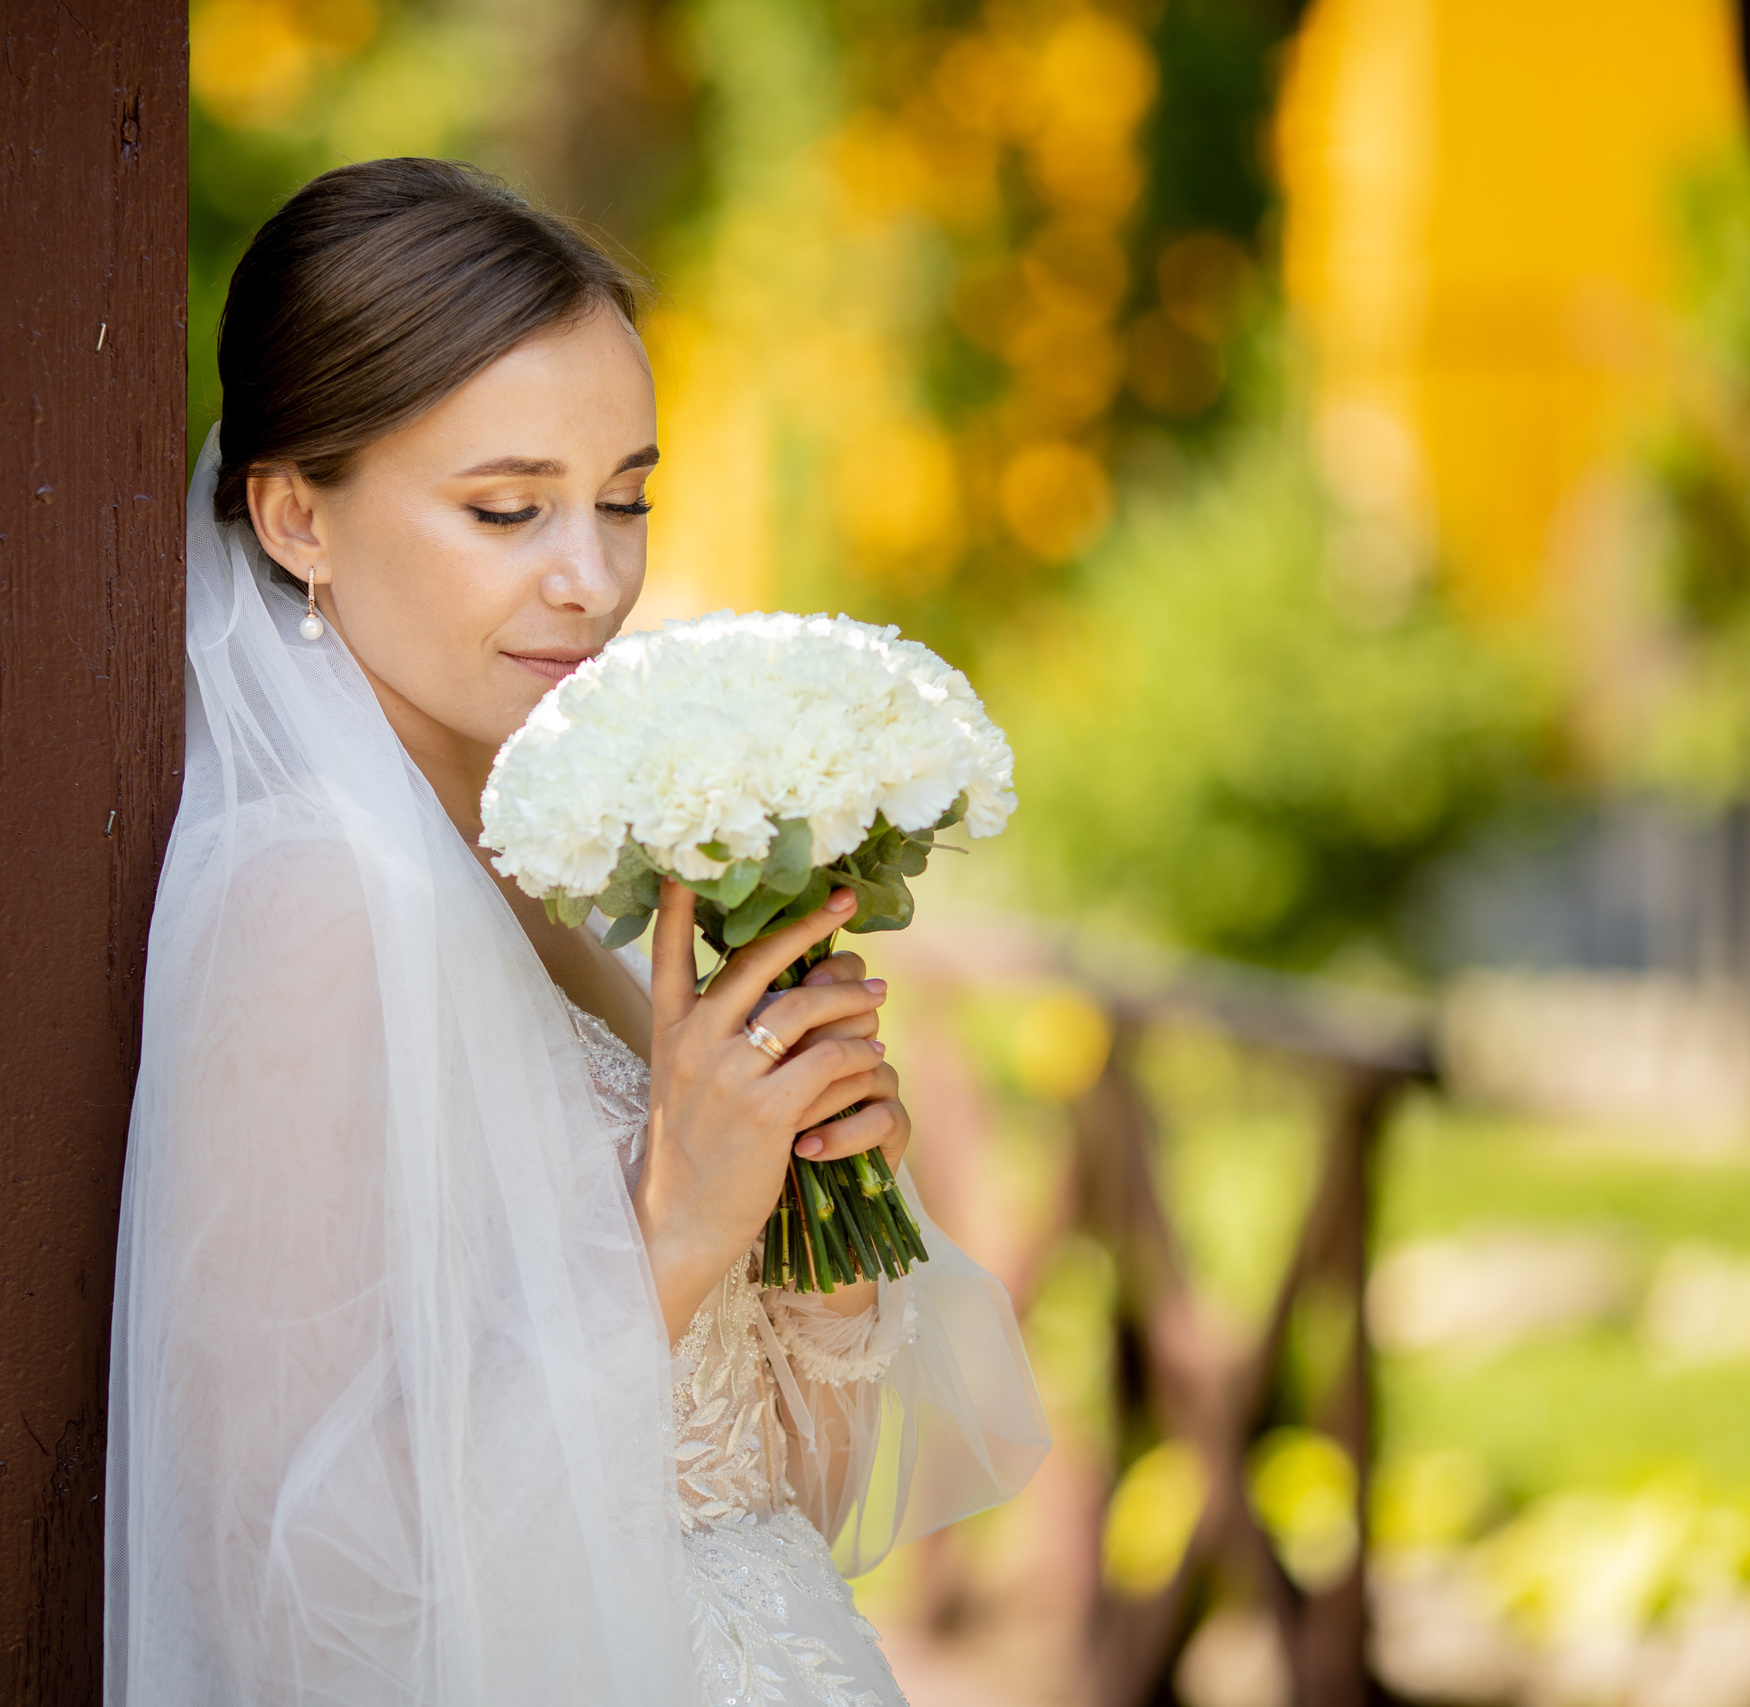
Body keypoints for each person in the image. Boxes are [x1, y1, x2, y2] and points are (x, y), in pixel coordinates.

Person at [106, 158, 1049, 1707]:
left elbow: (768, 1498)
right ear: (294, 518)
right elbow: (291, 1596)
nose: (594, 578)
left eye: (626, 499)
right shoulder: (312, 902)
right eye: (506, 508)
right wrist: (674, 1226)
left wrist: (815, 1216)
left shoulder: (578, 885)